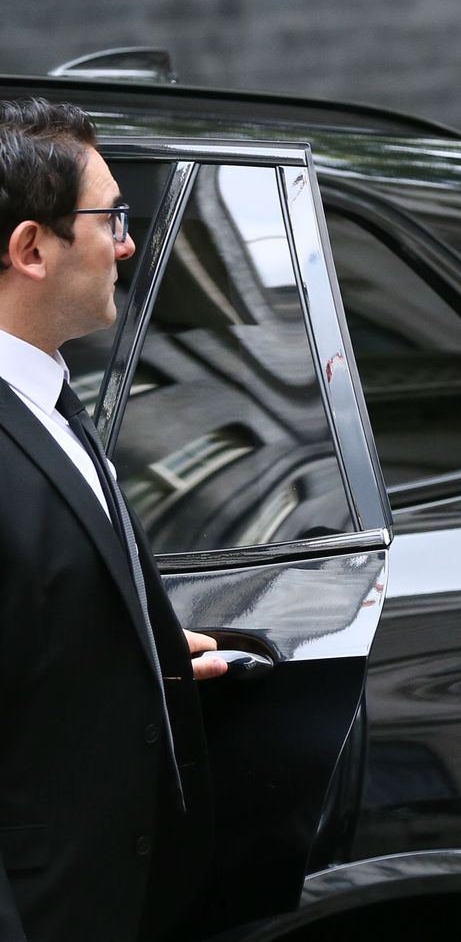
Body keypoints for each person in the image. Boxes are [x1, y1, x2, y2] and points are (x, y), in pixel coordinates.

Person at [0, 98, 228, 941]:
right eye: (112, 218)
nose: (127, 244)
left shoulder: (49, 396)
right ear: (31, 248)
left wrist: (147, 652)